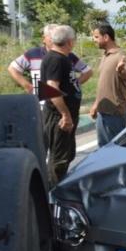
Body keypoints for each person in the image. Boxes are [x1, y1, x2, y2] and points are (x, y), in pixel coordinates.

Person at [7, 23, 92, 102]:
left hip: (63, 102)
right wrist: (27, 86)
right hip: (40, 103)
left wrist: (74, 85)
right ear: (44, 39)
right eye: (52, 37)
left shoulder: (69, 55)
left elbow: (87, 71)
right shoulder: (33, 54)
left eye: (57, 36)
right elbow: (13, 68)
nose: (55, 39)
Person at [40, 25, 80, 185]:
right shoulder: (55, 59)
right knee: (59, 160)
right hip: (58, 117)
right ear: (70, 42)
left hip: (63, 115)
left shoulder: (61, 58)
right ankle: (53, 198)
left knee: (67, 154)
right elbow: (51, 88)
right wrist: (65, 114)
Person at [90, 23, 126, 146]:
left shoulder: (121, 56)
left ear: (106, 37)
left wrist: (122, 70)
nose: (94, 40)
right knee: (103, 150)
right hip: (102, 111)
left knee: (115, 150)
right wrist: (96, 104)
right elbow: (103, 84)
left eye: (96, 37)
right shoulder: (105, 56)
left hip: (115, 112)